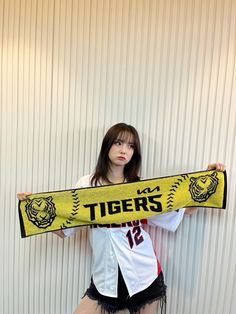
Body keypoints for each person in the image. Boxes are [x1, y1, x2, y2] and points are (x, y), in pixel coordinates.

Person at [17, 123, 225, 314]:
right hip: (105, 278)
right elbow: (64, 231)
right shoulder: (87, 185)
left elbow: (184, 210)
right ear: (107, 146)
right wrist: (32, 210)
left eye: (130, 145)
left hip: (143, 274)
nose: (124, 150)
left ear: (135, 153)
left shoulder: (140, 188)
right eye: (118, 142)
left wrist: (207, 178)